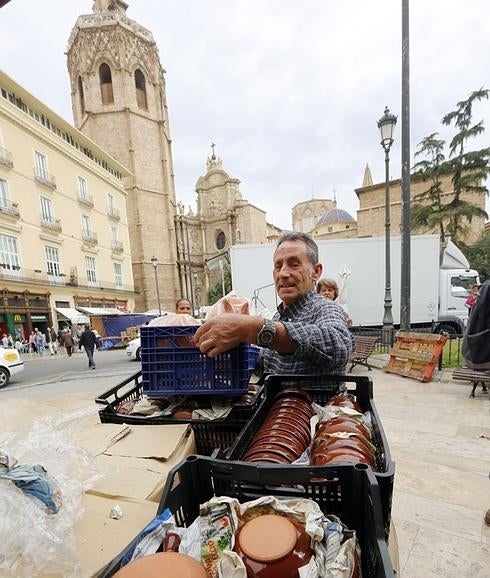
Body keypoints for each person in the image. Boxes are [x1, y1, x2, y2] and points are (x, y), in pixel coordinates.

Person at [194, 231, 354, 375]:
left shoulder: (326, 308)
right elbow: (262, 364)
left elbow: (339, 346)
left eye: (294, 264)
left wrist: (252, 327)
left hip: (314, 407)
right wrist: (233, 341)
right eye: (278, 266)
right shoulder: (278, 317)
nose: (283, 273)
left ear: (316, 271)